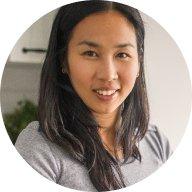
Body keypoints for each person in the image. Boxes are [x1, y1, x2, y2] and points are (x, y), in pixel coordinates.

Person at [15, 1, 172, 191]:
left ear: (138, 61)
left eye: (122, 54)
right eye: (90, 53)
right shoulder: (40, 150)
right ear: (63, 61)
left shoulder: (157, 143)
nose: (108, 74)